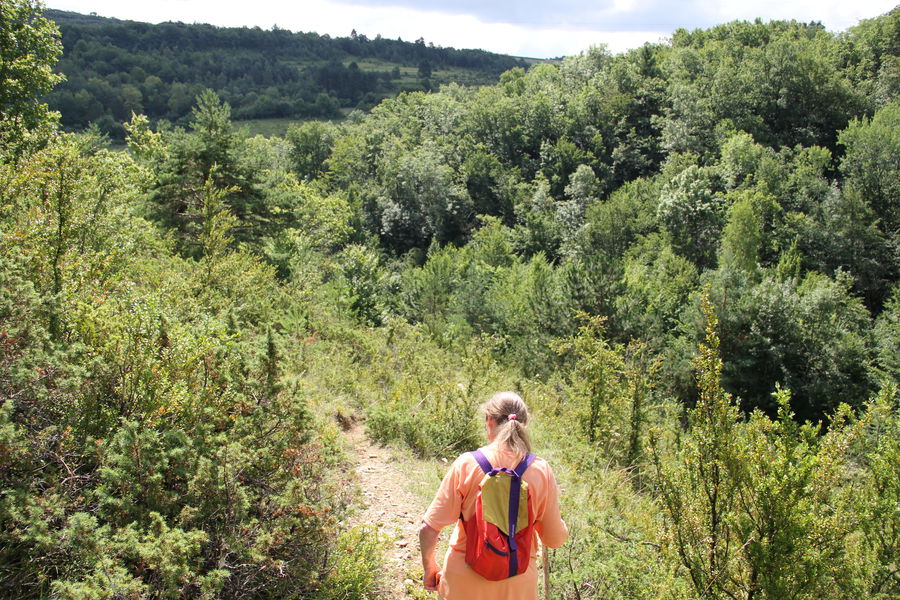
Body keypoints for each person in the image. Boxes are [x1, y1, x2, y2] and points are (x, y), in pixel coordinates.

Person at [419, 391, 568, 600]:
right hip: (518, 584)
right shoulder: (540, 470)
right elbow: (554, 539)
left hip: (463, 582)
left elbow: (429, 528)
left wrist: (429, 567)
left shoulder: (467, 463)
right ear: (524, 423)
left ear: (489, 420)